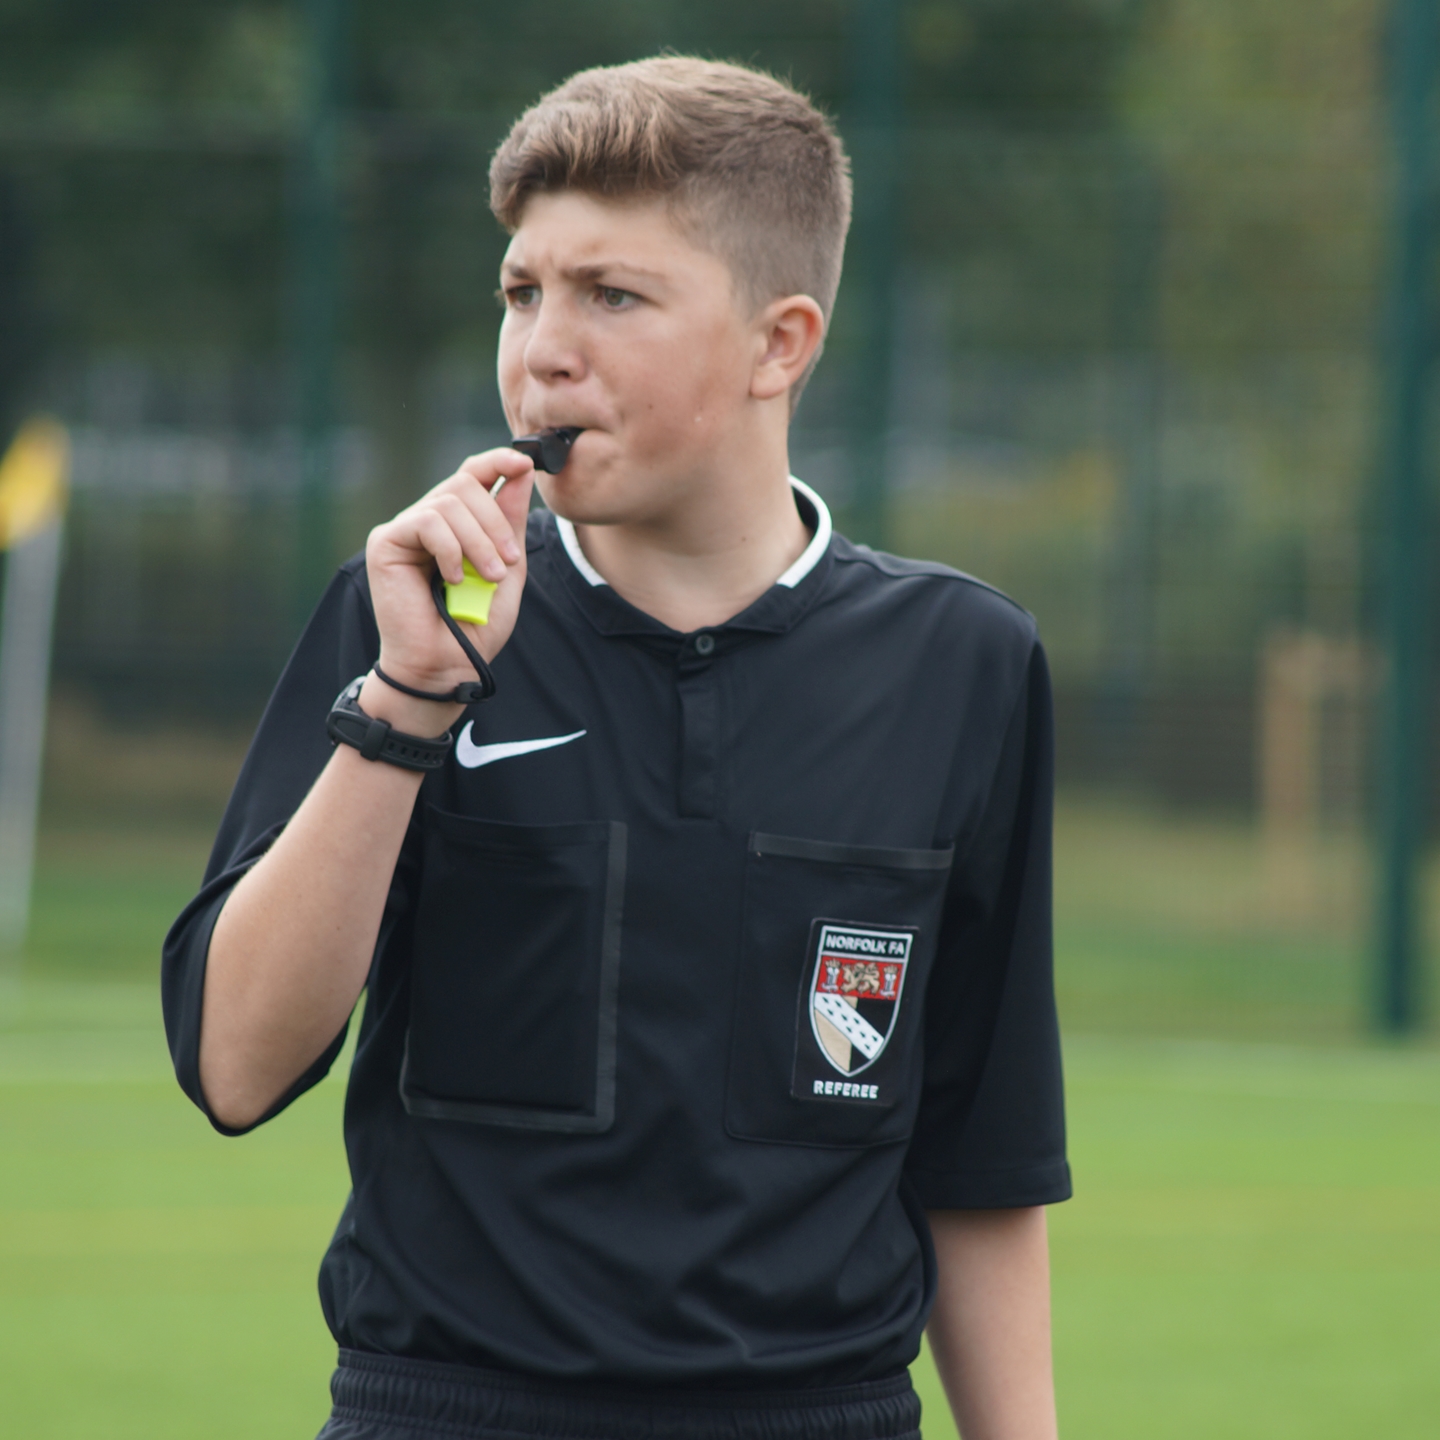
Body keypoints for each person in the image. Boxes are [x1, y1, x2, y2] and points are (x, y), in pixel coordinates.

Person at [163, 56, 1069, 1440]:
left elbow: (979, 1151)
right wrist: (408, 705)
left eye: (615, 297)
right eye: (523, 292)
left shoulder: (963, 664)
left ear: (782, 345)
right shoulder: (407, 614)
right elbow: (235, 1066)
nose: (543, 348)